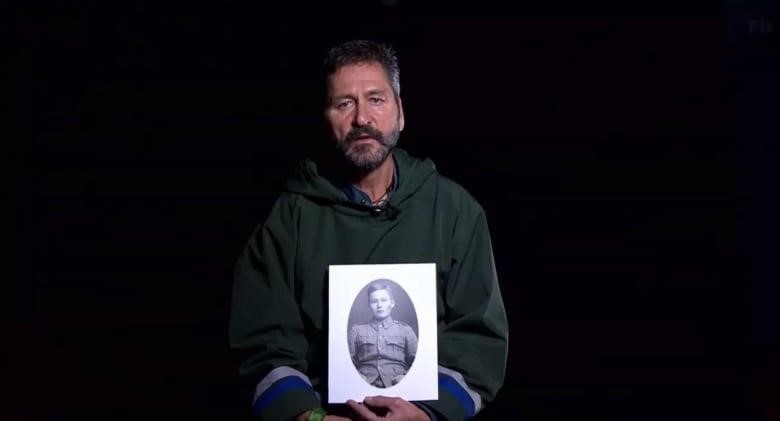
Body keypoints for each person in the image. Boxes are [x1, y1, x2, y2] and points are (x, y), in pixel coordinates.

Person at [229, 39, 508, 421]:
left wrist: (429, 415)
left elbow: (479, 338)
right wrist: (307, 417)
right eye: (345, 103)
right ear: (326, 118)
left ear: (400, 113)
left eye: (376, 99)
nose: (362, 118)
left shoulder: (455, 211)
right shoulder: (288, 218)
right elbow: (263, 342)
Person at [349, 281, 418, 388]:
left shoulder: (405, 330)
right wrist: (357, 377)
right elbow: (346, 364)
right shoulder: (356, 330)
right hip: (363, 384)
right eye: (374, 301)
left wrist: (406, 378)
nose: (379, 305)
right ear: (369, 305)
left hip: (398, 385)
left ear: (392, 303)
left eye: (384, 300)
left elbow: (418, 363)